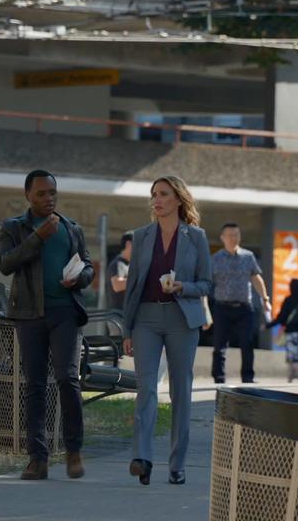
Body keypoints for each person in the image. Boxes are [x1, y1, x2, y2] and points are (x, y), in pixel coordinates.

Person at [0, 169, 94, 481]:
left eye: (52, 192)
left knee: (68, 377)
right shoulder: (13, 227)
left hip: (66, 311)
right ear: (28, 195)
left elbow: (88, 267)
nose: (48, 198)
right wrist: (38, 237)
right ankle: (37, 458)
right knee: (34, 384)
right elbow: (5, 263)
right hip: (29, 314)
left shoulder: (71, 228)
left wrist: (80, 277)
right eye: (41, 193)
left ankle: (74, 450)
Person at [122, 175, 211, 486]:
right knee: (145, 389)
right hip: (145, 317)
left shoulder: (196, 237)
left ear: (178, 199)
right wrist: (127, 328)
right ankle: (142, 459)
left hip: (181, 318)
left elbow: (207, 283)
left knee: (180, 392)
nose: (156, 200)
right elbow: (132, 286)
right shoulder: (142, 235)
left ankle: (177, 464)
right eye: (154, 195)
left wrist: (184, 286)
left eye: (163, 194)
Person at [209, 223, 271, 384]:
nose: (233, 238)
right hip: (222, 307)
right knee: (219, 345)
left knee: (247, 342)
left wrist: (265, 298)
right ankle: (219, 377)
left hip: (245, 308)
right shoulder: (215, 259)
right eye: (229, 235)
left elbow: (256, 278)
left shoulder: (248, 256)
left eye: (236, 234)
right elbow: (207, 283)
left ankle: (248, 377)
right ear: (222, 238)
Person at [266, 279, 298, 383]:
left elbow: (281, 318)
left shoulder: (288, 300)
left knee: (292, 358)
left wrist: (268, 325)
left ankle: (291, 378)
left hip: (292, 333)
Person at [107, 232, 133, 311]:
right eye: (137, 244)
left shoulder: (130, 265)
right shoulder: (117, 263)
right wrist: (138, 280)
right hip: (117, 316)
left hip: (127, 313)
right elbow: (117, 285)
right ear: (128, 244)